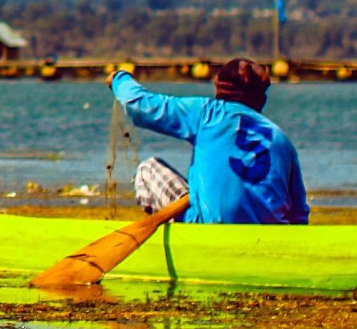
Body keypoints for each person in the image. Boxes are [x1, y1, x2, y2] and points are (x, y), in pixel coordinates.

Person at [108, 57, 308, 225]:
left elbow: (139, 105)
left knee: (147, 169)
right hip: (267, 239)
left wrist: (119, 78)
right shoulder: (281, 139)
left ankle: (178, 242)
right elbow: (299, 214)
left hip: (207, 228)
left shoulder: (207, 114)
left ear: (220, 88)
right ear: (261, 97)